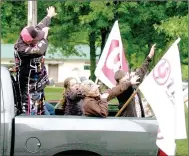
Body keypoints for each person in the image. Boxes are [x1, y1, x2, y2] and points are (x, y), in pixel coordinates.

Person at [14, 6, 57, 115]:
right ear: (30, 41)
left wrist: (49, 16)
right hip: (29, 90)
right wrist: (44, 38)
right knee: (39, 116)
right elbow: (39, 51)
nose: (39, 37)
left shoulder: (31, 32)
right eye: (37, 38)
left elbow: (41, 25)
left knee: (51, 110)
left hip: (38, 85)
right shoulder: (22, 49)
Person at [114, 44, 156, 117]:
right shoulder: (120, 91)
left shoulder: (132, 83)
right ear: (119, 82)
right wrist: (130, 82)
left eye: (127, 79)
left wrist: (149, 57)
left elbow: (141, 72)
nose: (126, 81)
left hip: (139, 117)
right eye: (124, 81)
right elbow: (127, 88)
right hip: (128, 121)